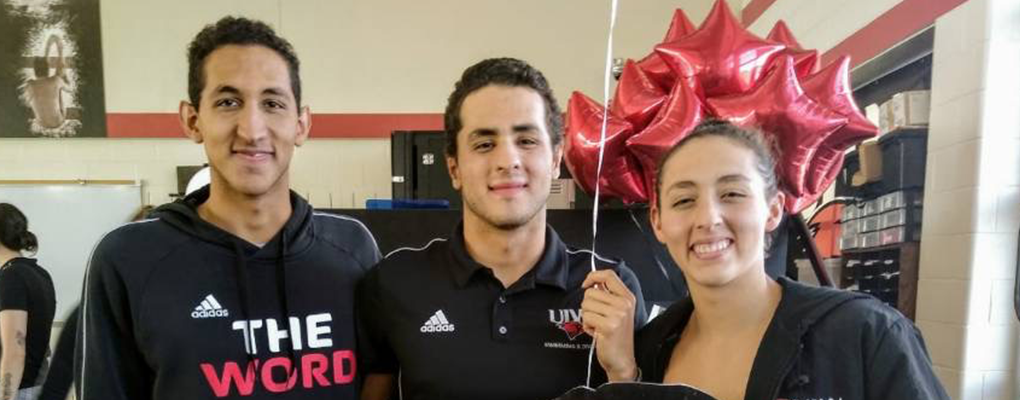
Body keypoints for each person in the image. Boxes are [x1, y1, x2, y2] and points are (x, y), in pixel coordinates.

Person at [74, 17, 380, 400]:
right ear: (192, 119)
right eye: (228, 102)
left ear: (301, 124)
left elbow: (382, 383)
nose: (252, 129)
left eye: (272, 103)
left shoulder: (353, 249)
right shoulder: (127, 259)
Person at [584, 120, 949, 400]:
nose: (708, 218)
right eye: (684, 200)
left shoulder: (863, 333)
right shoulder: (649, 350)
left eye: (732, 193)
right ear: (658, 222)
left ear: (773, 210)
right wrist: (624, 378)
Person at [356, 57, 648, 400]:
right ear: (454, 169)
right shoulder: (394, 282)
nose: (507, 160)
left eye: (526, 141)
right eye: (484, 144)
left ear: (555, 160)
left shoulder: (611, 288)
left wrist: (624, 372)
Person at [0, 203, 57, 400]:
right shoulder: (38, 273)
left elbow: (15, 351)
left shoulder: (11, 277)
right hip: (35, 386)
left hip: (19, 391)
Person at [22, 34, 78, 136]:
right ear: (48, 69)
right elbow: (71, 89)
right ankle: (60, 50)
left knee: (53, 86)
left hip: (41, 123)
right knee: (59, 77)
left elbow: (27, 101)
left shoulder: (29, 84)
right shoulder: (55, 81)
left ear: (35, 71)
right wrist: (64, 79)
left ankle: (49, 47)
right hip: (58, 122)